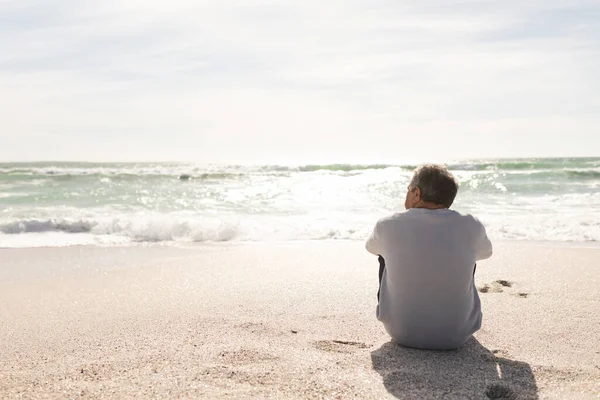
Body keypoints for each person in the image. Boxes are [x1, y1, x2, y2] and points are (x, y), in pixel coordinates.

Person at [366, 164, 493, 350]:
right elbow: (486, 253)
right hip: (457, 335)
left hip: (401, 332)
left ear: (416, 194)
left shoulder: (388, 224)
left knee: (383, 254)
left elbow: (371, 248)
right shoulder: (471, 225)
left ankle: (400, 311)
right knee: (470, 253)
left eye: (408, 190)